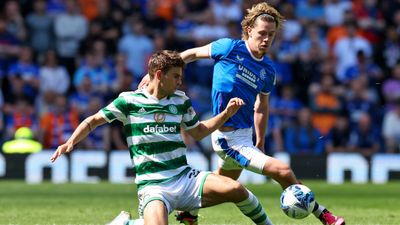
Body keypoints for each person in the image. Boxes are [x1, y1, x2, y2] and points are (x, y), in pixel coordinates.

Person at [140, 2, 345, 225]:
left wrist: (260, 141)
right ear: (249, 31)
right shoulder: (228, 48)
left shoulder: (267, 70)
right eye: (262, 34)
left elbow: (261, 106)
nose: (266, 39)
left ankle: (189, 212)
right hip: (227, 137)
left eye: (271, 35)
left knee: (222, 188)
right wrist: (154, 76)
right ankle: (323, 215)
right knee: (283, 170)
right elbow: (189, 54)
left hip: (245, 136)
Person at [50, 50, 274, 225]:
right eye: (176, 76)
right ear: (159, 75)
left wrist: (226, 114)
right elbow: (94, 120)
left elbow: (198, 132)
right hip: (153, 186)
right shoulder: (128, 101)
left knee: (236, 190)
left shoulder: (180, 100)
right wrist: (71, 141)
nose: (179, 81)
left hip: (185, 178)